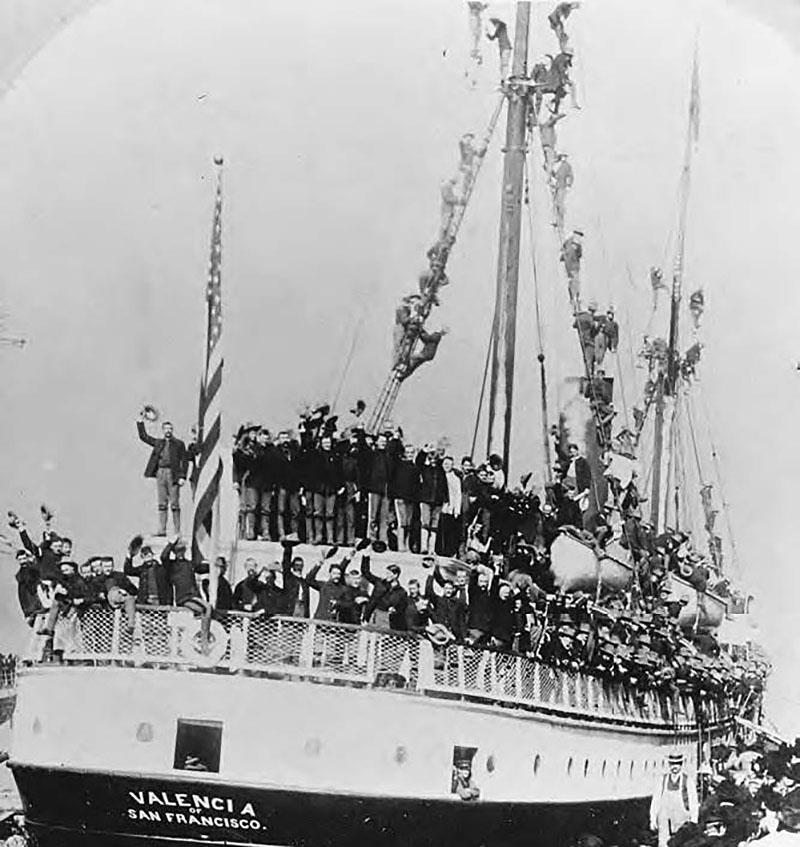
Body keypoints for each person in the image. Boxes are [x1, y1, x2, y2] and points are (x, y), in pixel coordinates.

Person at [136, 412, 188, 536]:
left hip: (173, 473)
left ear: (172, 430)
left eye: (170, 429)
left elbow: (184, 461)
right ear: (163, 430)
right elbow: (144, 437)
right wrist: (140, 422)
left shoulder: (179, 444)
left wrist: (182, 476)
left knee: (174, 503)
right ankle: (162, 529)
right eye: (166, 429)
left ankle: (177, 530)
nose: (168, 431)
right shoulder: (159, 443)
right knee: (162, 503)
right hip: (161, 472)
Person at [649, 753, 699, 847]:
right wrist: (653, 818)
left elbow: (693, 801)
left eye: (677, 764)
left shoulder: (687, 780)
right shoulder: (662, 780)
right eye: (672, 764)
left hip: (682, 818)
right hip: (664, 818)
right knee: (664, 843)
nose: (674, 767)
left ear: (681, 765)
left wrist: (694, 819)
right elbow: (656, 800)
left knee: (681, 842)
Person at [361, 559, 408, 631]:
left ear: (395, 575)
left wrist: (395, 610)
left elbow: (402, 607)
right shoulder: (380, 583)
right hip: (371, 615)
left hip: (385, 618)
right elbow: (366, 572)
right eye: (386, 573)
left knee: (381, 638)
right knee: (367, 636)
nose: (386, 576)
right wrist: (366, 556)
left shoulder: (401, 592)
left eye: (389, 573)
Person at [417, 446, 447, 555]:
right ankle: (423, 547)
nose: (433, 460)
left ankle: (431, 549)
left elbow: (444, 485)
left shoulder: (440, 470)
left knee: (435, 526)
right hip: (425, 499)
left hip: (438, 501)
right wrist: (424, 451)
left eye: (435, 458)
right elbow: (418, 461)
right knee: (425, 523)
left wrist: (445, 499)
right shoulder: (425, 469)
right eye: (431, 458)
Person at [366, 434, 394, 544]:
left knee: (384, 517)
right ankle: (371, 538)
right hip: (374, 489)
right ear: (376, 442)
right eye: (381, 441)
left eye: (385, 441)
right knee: (373, 516)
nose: (383, 443)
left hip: (386, 489)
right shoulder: (372, 455)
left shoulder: (388, 456)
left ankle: (383, 539)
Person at [391, 444, 419, 553]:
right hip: (400, 498)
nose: (410, 455)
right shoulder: (399, 465)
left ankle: (407, 545)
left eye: (412, 453)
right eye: (407, 453)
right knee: (401, 523)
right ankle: (400, 545)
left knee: (408, 523)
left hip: (411, 499)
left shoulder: (415, 468)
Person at [424, 573, 467, 642]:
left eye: (450, 588)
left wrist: (464, 636)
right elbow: (429, 592)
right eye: (446, 588)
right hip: (440, 634)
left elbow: (461, 620)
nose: (448, 591)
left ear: (453, 590)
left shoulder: (457, 603)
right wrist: (431, 576)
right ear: (443, 589)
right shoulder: (438, 600)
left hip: (454, 635)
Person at [439, 456, 463, 556]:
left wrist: (457, 510)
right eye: (445, 464)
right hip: (439, 507)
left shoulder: (455, 478)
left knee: (448, 531)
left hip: (450, 508)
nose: (447, 466)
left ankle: (448, 552)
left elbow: (458, 495)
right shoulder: (439, 475)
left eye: (449, 464)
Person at [573, 301, 598, 374]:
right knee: (590, 359)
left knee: (587, 358)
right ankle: (589, 374)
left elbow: (574, 325)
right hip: (589, 341)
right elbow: (593, 326)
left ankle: (589, 373)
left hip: (583, 340)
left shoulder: (580, 317)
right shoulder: (589, 317)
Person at [538, 110, 566, 174]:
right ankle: (549, 177)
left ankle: (549, 172)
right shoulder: (548, 125)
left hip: (546, 146)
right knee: (550, 162)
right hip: (549, 146)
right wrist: (562, 115)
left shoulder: (543, 126)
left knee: (550, 161)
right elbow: (553, 119)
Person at [551, 152, 573, 231]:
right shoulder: (556, 165)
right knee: (555, 203)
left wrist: (568, 185)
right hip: (556, 186)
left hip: (562, 187)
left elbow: (570, 176)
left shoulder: (566, 166)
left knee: (560, 204)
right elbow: (553, 174)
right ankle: (556, 220)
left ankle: (561, 223)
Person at [561, 230, 584, 305]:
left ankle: (572, 298)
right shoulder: (577, 244)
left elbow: (562, 250)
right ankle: (576, 298)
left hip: (568, 266)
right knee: (576, 282)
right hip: (574, 266)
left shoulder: (568, 241)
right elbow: (579, 254)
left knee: (571, 281)